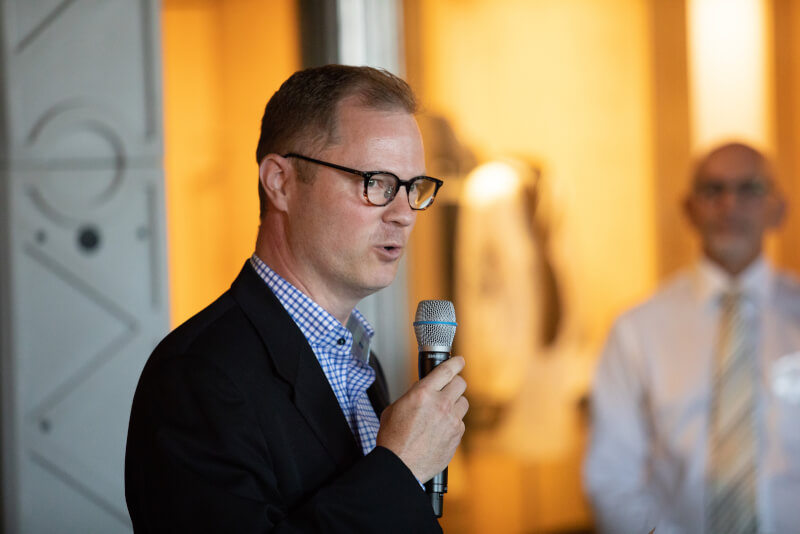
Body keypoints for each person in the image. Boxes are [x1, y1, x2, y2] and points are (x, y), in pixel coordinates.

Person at [125, 65, 468, 533]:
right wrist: (400, 469)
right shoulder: (196, 374)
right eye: (377, 183)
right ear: (280, 182)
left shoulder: (360, 362)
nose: (404, 214)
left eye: (413, 188)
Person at [584, 142, 800, 533]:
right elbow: (611, 478)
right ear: (689, 209)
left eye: (750, 189)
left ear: (778, 209)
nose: (729, 204)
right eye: (713, 189)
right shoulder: (636, 330)